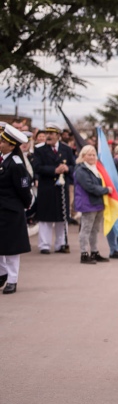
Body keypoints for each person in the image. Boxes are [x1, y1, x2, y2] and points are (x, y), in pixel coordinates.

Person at [31, 122, 75, 254]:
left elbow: (74, 166)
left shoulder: (66, 149)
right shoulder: (40, 150)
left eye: (51, 133)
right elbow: (37, 167)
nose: (48, 136)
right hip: (47, 187)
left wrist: (67, 169)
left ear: (58, 135)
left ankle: (61, 244)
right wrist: (54, 170)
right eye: (47, 133)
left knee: (62, 217)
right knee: (46, 218)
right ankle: (44, 244)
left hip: (61, 188)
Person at [0, 126, 34, 294]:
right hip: (1, 210)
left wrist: (26, 205)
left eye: (2, 141)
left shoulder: (16, 164)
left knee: (12, 248)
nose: (0, 143)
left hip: (12, 211)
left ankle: (12, 280)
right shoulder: (2, 159)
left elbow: (23, 189)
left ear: (11, 145)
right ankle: (2, 273)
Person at [73, 145, 112, 264]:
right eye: (89, 154)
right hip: (88, 203)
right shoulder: (81, 170)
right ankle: (84, 253)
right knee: (86, 229)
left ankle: (94, 252)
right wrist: (106, 190)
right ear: (83, 156)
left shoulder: (96, 169)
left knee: (95, 230)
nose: (92, 157)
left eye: (94, 154)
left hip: (97, 202)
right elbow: (89, 186)